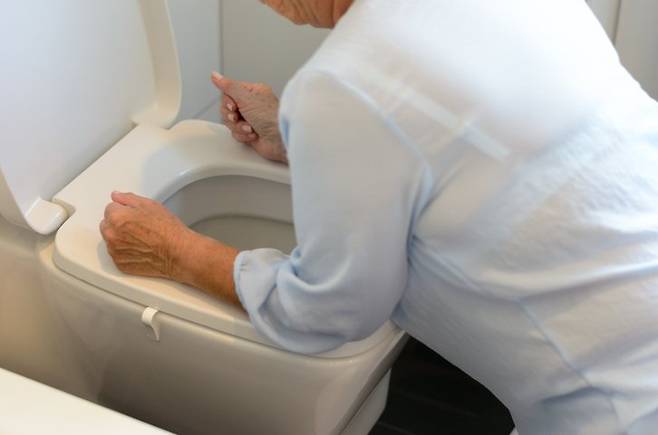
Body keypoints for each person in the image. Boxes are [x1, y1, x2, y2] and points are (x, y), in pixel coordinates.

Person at [100, 0, 658, 433]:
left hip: (620, 404)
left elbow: (328, 311)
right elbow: (478, 151)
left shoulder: (343, 83)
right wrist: (302, 140)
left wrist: (176, 251)